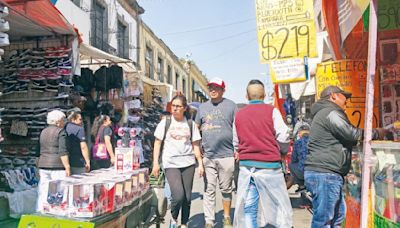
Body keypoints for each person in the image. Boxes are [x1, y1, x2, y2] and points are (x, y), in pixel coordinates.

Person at [304, 85, 386, 227]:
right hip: (325, 174)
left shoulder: (324, 113)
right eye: (344, 97)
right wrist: (377, 133)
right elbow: (352, 134)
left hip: (326, 173)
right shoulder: (330, 112)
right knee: (324, 220)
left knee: (337, 217)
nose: (347, 101)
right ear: (333, 96)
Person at [233, 80, 293, 227]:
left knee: (249, 206)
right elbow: (284, 135)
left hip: (247, 168)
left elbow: (235, 142)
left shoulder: (239, 115)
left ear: (246, 96)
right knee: (277, 205)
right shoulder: (272, 111)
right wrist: (282, 151)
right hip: (270, 166)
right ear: (264, 94)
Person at [151, 95, 204, 228]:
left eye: (178, 106)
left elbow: (195, 145)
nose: (174, 108)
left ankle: (184, 223)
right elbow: (157, 143)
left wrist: (200, 163)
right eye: (173, 106)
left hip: (188, 163)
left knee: (187, 197)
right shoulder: (166, 122)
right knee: (178, 195)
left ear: (184, 108)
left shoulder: (190, 124)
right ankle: (174, 218)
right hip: (170, 163)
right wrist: (155, 164)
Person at [195, 77, 237, 228]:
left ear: (223, 90)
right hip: (209, 156)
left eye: (216, 88)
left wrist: (237, 149)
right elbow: (196, 128)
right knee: (209, 189)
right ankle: (209, 221)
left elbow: (238, 129)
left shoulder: (231, 106)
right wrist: (197, 147)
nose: (212, 90)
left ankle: (226, 217)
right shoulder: (202, 107)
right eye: (211, 87)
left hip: (227, 155)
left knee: (226, 189)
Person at [36, 110, 70, 212]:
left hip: (43, 165)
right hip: (58, 166)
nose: (64, 122)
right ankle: (57, 211)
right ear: (58, 121)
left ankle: (40, 210)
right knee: (59, 191)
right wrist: (67, 167)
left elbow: (37, 150)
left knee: (43, 190)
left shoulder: (43, 131)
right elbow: (62, 151)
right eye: (63, 120)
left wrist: (38, 165)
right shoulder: (61, 132)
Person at [65, 110, 90, 175]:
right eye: (80, 119)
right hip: (77, 160)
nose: (81, 121)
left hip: (64, 161)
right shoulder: (79, 129)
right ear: (73, 119)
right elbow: (83, 147)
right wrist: (87, 161)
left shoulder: (63, 128)